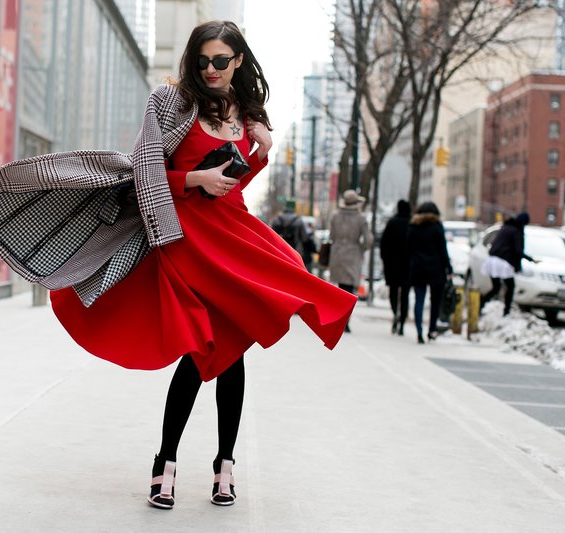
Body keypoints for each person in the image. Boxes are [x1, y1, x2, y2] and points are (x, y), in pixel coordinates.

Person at [40, 21, 356, 510]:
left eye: (221, 61)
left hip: (231, 235)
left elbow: (236, 184)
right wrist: (194, 179)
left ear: (238, 63)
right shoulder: (169, 102)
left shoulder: (248, 113)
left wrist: (264, 148)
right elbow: (145, 168)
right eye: (203, 60)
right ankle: (165, 462)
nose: (210, 70)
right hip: (184, 238)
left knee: (233, 350)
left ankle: (224, 465)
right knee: (198, 346)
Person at [406, 202, 452, 344]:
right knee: (435, 301)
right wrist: (448, 267)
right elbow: (443, 249)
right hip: (435, 269)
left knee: (419, 300)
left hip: (418, 268)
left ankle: (419, 331)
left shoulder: (413, 227)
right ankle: (432, 329)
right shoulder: (437, 227)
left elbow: (407, 248)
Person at [328, 189, 373, 332]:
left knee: (341, 288)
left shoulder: (335, 217)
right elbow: (368, 240)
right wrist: (361, 248)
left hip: (338, 253)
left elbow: (332, 235)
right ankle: (345, 321)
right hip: (353, 254)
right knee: (349, 290)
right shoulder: (361, 219)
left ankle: (339, 319)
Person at [480, 212, 536, 316]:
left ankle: (481, 303)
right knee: (510, 286)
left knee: (496, 287)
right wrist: (530, 259)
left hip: (492, 260)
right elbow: (518, 251)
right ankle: (506, 311)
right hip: (503, 262)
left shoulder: (506, 228)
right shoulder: (516, 232)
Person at [380, 199, 412, 335]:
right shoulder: (412, 224)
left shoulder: (392, 223)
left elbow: (384, 244)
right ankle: (402, 322)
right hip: (408, 264)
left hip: (392, 264)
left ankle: (395, 312)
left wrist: (385, 259)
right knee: (405, 294)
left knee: (393, 291)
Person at [271, 199, 316, 271]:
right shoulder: (298, 221)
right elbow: (305, 238)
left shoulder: (276, 220)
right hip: (294, 253)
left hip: (279, 252)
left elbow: (271, 237)